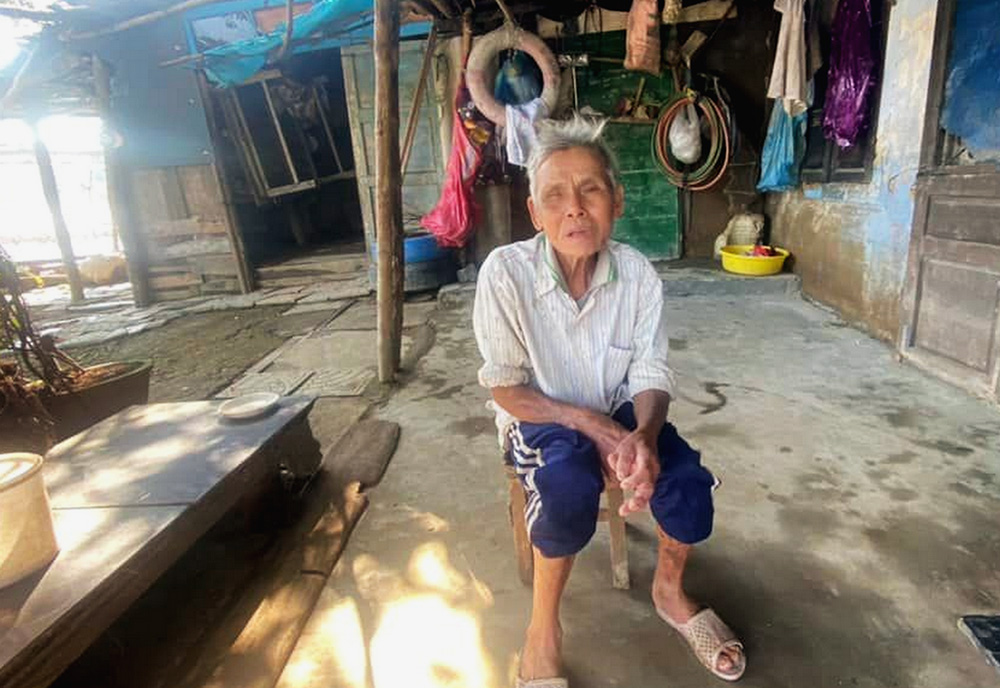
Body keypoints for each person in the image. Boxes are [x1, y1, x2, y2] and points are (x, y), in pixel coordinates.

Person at [472, 116, 746, 686]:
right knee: (567, 482)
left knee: (687, 482)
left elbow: (649, 369)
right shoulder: (505, 274)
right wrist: (590, 426)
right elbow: (506, 388)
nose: (574, 208)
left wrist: (642, 434)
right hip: (539, 414)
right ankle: (542, 631)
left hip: (620, 409)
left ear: (617, 201)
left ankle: (669, 591)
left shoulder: (639, 274)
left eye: (590, 189)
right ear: (535, 213)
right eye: (556, 196)